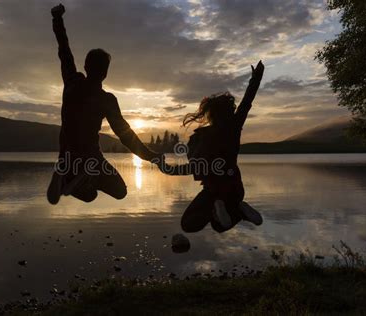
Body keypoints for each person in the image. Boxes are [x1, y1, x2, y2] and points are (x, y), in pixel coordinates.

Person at [47, 3, 162, 205]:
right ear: (106, 72)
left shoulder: (72, 81)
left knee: (90, 192)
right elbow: (126, 135)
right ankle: (81, 178)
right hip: (92, 156)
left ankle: (70, 176)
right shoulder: (107, 100)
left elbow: (63, 48)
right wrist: (149, 155)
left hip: (67, 156)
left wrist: (57, 18)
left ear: (85, 66)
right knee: (118, 192)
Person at [158, 61, 265, 233]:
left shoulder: (201, 138)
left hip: (213, 190)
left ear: (211, 114)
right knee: (219, 225)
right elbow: (247, 102)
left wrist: (167, 168)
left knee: (189, 224)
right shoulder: (234, 127)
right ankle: (236, 209)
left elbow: (194, 166)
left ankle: (223, 209)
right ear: (229, 112)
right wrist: (256, 77)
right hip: (236, 189)